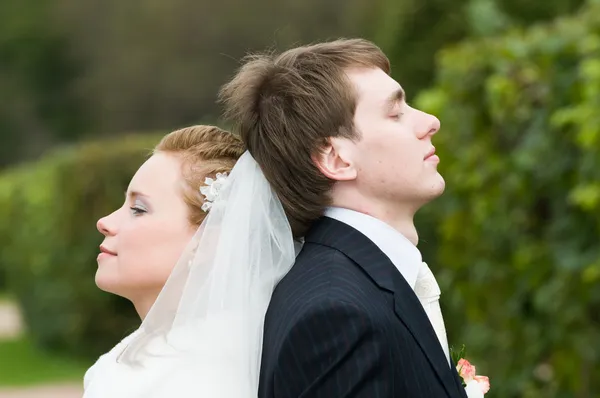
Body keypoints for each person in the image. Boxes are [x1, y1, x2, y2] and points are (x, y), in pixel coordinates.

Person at [219, 38, 468, 397]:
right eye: (395, 113)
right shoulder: (336, 315)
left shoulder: (355, 287)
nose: (431, 121)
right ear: (336, 158)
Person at [84, 125, 296, 397]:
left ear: (210, 239)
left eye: (138, 209)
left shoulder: (205, 379)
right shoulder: (141, 351)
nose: (104, 222)